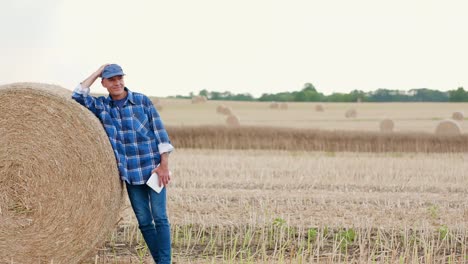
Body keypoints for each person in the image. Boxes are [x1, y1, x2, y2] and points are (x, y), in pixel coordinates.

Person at [71, 64, 173, 263]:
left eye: (119, 78)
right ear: (104, 83)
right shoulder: (102, 106)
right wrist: (98, 70)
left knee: (160, 217)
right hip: (130, 174)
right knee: (144, 222)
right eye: (111, 79)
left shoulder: (142, 101)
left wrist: (164, 166)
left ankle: (164, 262)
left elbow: (161, 134)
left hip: (153, 170)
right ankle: (162, 261)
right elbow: (78, 95)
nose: (117, 83)